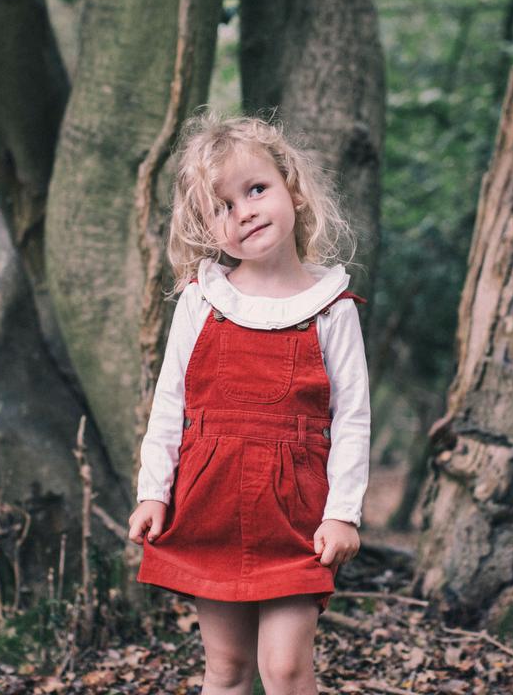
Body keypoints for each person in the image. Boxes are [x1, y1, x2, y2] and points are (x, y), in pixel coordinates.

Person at [127, 111, 371, 695]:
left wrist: (344, 512)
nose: (245, 212)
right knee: (227, 669)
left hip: (294, 519)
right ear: (208, 229)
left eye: (255, 189)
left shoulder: (333, 307)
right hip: (208, 504)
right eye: (222, 207)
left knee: (285, 668)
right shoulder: (200, 300)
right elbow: (169, 405)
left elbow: (353, 419)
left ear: (291, 184)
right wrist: (152, 491)